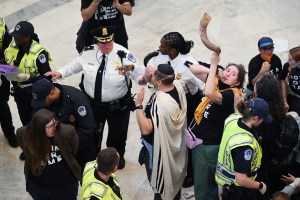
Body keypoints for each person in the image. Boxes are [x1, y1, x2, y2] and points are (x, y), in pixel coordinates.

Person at [45, 26, 145, 169]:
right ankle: (92, 157)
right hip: (93, 105)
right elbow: (75, 65)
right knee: (92, 134)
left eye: (109, 42)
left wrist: (143, 78)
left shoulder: (124, 55)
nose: (106, 46)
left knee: (117, 136)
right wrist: (60, 72)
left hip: (118, 106)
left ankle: (116, 158)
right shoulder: (88, 52)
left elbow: (139, 77)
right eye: (102, 43)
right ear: (97, 42)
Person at [144, 31, 207, 187]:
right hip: (167, 101)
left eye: (163, 45)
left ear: (172, 50)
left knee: (188, 139)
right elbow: (150, 68)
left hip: (189, 103)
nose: (159, 47)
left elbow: (204, 86)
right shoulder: (160, 57)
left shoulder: (188, 64)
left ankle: (190, 173)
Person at [189, 52, 246, 200]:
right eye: (227, 70)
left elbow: (208, 92)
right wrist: (212, 71)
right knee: (203, 182)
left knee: (204, 186)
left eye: (233, 74)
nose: (228, 74)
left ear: (237, 82)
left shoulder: (231, 95)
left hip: (207, 147)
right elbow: (192, 68)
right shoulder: (219, 83)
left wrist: (214, 64)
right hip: (200, 143)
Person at [135, 64, 187, 200]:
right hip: (176, 143)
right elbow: (155, 81)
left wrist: (138, 105)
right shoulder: (177, 86)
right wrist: (152, 74)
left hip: (158, 147)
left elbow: (146, 129)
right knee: (175, 183)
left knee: (161, 186)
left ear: (159, 82)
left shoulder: (159, 104)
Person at [31, 78, 96, 171]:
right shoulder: (44, 99)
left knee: (83, 172)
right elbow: (36, 117)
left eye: (42, 101)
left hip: (79, 146)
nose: (41, 104)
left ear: (52, 93)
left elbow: (87, 129)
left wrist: (67, 148)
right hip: (55, 147)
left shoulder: (76, 101)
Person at [16, 109, 81, 200]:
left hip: (64, 184)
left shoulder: (67, 132)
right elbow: (26, 150)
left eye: (54, 123)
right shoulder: (23, 133)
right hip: (38, 185)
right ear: (39, 128)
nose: (54, 128)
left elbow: (73, 150)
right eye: (49, 126)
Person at [215, 98, 272, 200]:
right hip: (237, 189)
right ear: (255, 118)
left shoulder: (232, 119)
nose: (263, 121)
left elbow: (237, 112)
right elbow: (241, 179)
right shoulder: (245, 146)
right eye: (262, 119)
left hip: (224, 183)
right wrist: (260, 186)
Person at [254, 72, 298, 199]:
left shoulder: (264, 118)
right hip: (282, 167)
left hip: (267, 168)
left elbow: (264, 145)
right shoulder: (281, 108)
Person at [4, 21, 52, 126]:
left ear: (27, 37)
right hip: (19, 92)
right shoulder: (13, 44)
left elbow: (48, 77)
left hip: (34, 93)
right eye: (15, 36)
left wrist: (29, 78)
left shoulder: (39, 53)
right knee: (25, 122)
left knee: (38, 123)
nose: (15, 39)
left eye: (19, 37)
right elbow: (6, 60)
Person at [0, 17, 18, 147]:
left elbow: (9, 44)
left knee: (2, 104)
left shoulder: (1, 23)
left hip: (1, 67)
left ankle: (10, 134)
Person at [279, 47, 300, 115]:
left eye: (291, 60)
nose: (288, 61)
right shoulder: (287, 66)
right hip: (291, 93)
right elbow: (282, 79)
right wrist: (284, 99)